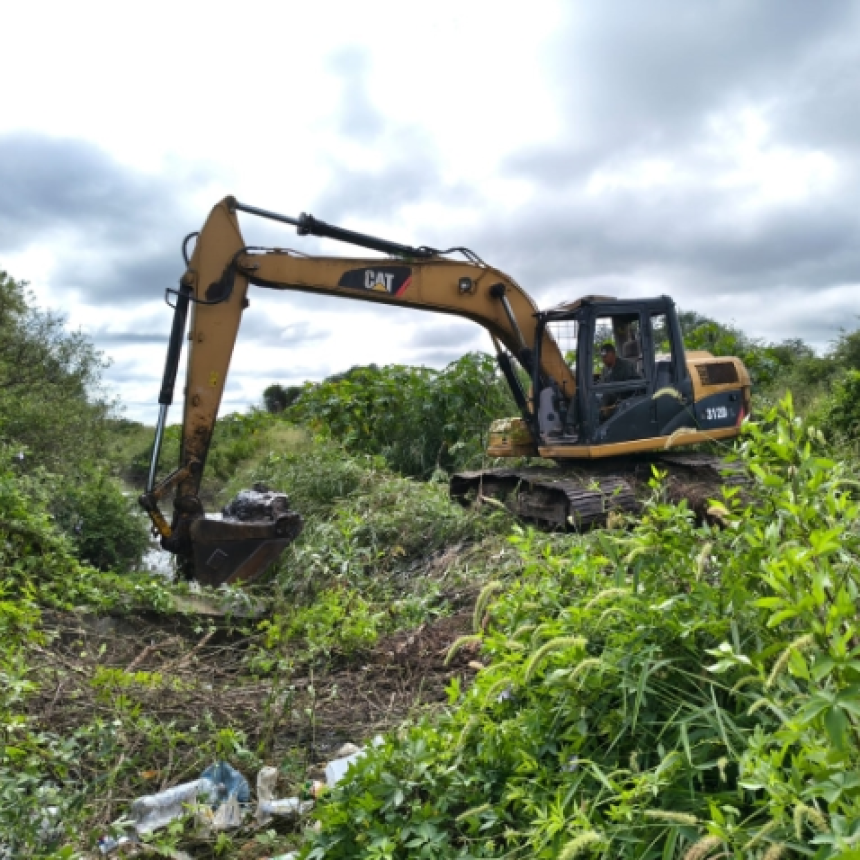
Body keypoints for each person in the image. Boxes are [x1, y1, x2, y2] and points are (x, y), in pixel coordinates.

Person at [598, 342, 640, 419]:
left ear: (613, 354)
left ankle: (599, 418)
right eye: (602, 357)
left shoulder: (626, 365)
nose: (603, 359)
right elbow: (602, 384)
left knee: (606, 394)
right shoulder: (605, 369)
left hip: (622, 398)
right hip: (609, 398)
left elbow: (634, 385)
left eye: (605, 356)